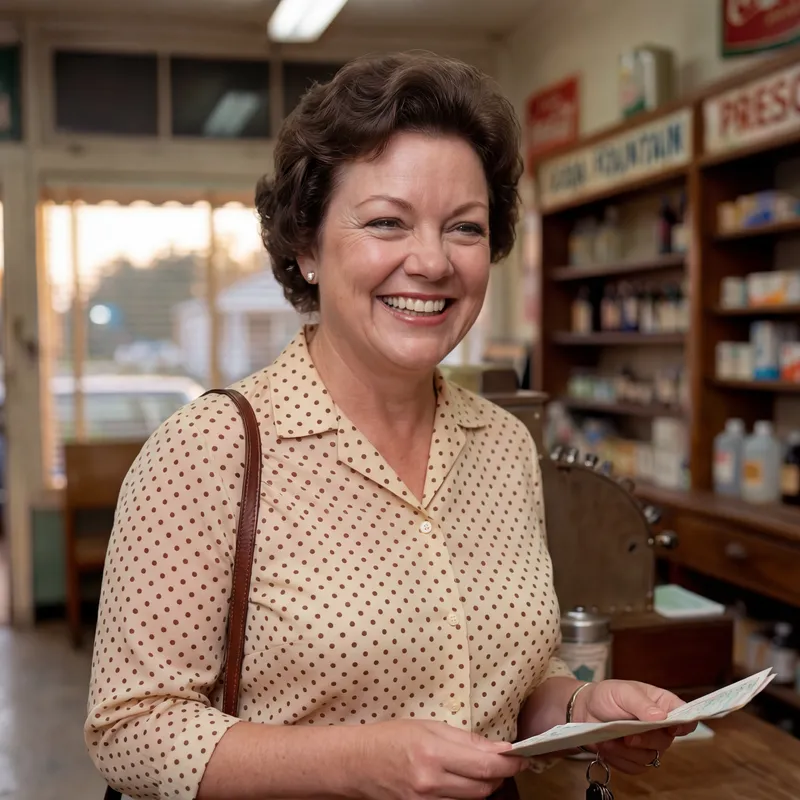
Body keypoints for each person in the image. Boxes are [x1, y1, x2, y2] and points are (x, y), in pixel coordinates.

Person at [85, 51, 695, 800]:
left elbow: (502, 676)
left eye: (464, 228)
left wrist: (577, 707)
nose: (432, 262)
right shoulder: (208, 452)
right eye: (386, 222)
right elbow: (129, 729)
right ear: (307, 246)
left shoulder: (504, 446)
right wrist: (358, 762)